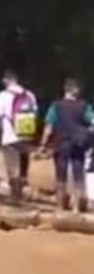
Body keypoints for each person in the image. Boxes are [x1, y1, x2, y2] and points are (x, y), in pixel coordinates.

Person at [39, 78, 94, 212]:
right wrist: (88, 134)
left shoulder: (56, 106)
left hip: (61, 143)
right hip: (78, 143)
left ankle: (60, 205)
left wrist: (43, 144)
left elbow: (49, 126)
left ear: (65, 90)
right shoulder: (84, 106)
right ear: (76, 91)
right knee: (78, 173)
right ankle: (77, 205)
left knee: (61, 174)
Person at [0, 70, 38, 201]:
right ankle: (24, 187)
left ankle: (16, 195)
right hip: (26, 134)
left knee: (12, 165)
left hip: (10, 135)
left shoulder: (3, 95)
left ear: (6, 80)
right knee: (24, 162)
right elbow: (35, 113)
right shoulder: (29, 94)